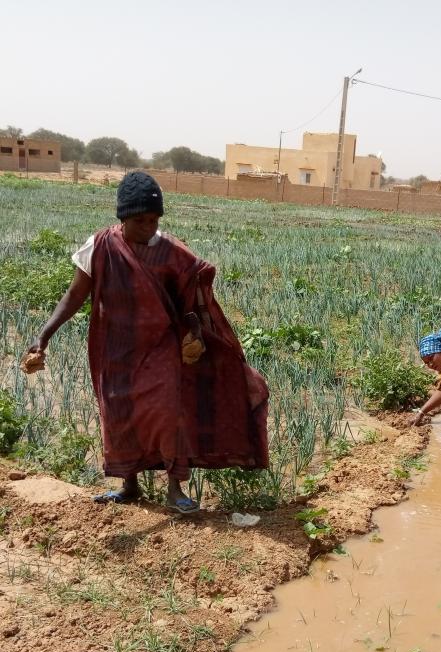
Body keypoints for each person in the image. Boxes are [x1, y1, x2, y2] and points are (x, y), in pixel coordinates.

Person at [26, 172, 269, 513]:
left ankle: (174, 488)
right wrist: (43, 336)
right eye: (140, 220)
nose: (149, 227)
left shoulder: (171, 252)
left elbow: (189, 304)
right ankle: (129, 485)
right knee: (120, 416)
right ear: (122, 218)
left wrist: (195, 332)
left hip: (160, 349)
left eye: (154, 220)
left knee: (168, 413)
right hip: (115, 350)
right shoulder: (99, 247)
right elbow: (73, 296)